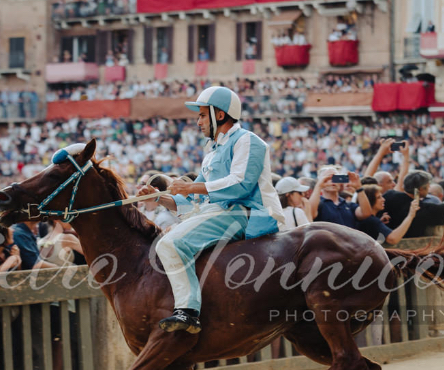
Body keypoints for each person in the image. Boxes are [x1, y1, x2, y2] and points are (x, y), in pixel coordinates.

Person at [155, 86, 285, 333]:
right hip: (222, 212)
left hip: (248, 213)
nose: (198, 122)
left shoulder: (247, 140)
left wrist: (192, 186)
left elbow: (240, 184)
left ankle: (187, 311)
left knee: (169, 244)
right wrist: (161, 199)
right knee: (166, 239)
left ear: (220, 115)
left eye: (203, 115)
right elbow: (199, 203)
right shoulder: (211, 153)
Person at [382, 170, 444, 239]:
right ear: (421, 189)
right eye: (428, 185)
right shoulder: (420, 209)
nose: (430, 187)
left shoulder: (389, 195)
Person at [306, 165, 371, 229]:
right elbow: (310, 214)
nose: (332, 181)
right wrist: (319, 186)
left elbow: (366, 213)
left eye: (335, 178)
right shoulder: (318, 203)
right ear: (319, 181)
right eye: (327, 178)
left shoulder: (347, 204)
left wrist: (359, 188)